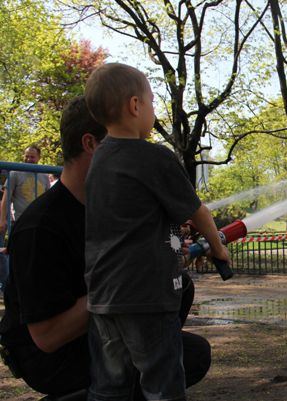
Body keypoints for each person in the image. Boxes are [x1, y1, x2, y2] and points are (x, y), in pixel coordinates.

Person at [0, 97, 212, 399]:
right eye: (130, 143)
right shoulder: (40, 228)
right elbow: (46, 337)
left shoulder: (113, 207)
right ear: (92, 145)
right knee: (185, 358)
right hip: (49, 355)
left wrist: (166, 256)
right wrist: (130, 280)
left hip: (100, 330)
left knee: (183, 302)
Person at [83, 63, 230, 401]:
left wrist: (177, 248)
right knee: (162, 384)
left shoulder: (99, 162)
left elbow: (134, 226)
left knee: (108, 388)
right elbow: (198, 211)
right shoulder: (154, 157)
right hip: (147, 297)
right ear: (135, 106)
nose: (152, 109)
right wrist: (218, 249)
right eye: (151, 102)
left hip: (104, 299)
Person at [0, 145, 50, 235]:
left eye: (32, 157)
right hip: (21, 221)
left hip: (40, 222)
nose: (28, 159)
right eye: (26, 156)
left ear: (38, 158)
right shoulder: (15, 173)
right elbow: (6, 199)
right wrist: (2, 220)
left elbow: (48, 200)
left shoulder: (45, 176)